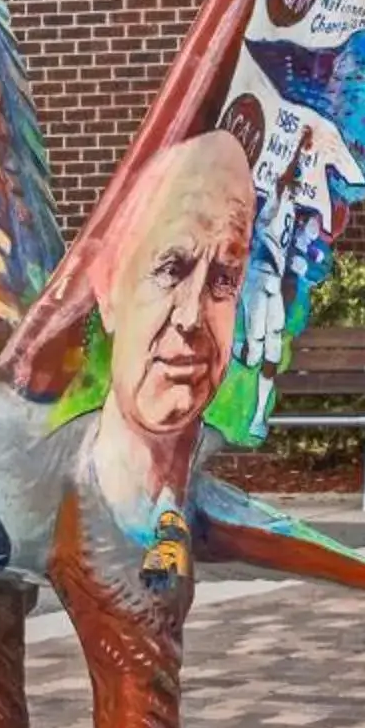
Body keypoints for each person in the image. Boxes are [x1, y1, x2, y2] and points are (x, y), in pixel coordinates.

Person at [84, 129, 254, 526]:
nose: (191, 316)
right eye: (170, 269)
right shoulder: (45, 477)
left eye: (224, 278)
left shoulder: (236, 522)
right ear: (107, 284)